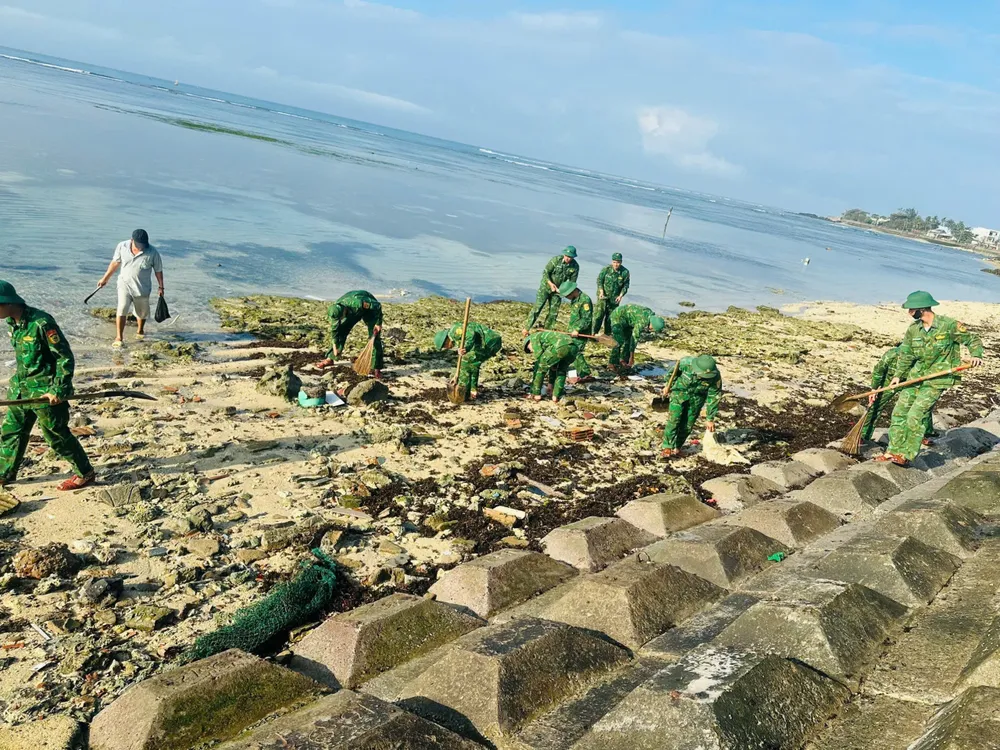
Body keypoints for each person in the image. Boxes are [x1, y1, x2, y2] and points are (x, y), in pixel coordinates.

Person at [0, 281, 95, 490]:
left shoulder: (42, 323)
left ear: (7, 303)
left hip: (46, 391)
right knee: (11, 432)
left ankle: (85, 473)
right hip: (21, 389)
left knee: (57, 436)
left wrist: (59, 389)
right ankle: (5, 473)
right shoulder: (12, 323)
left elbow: (64, 357)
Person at [877, 291, 983, 466]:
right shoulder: (913, 329)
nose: (909, 312)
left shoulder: (948, 326)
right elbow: (906, 355)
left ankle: (905, 455)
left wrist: (976, 355)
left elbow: (973, 340)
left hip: (937, 379)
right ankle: (892, 451)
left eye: (911, 309)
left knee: (915, 416)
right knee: (899, 413)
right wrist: (897, 375)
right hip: (915, 377)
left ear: (922, 309)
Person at [97, 229, 164, 348]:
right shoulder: (122, 246)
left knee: (142, 313)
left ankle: (140, 330)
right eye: (139, 245)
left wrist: (161, 287)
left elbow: (158, 271)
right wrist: (105, 279)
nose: (141, 247)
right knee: (122, 308)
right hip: (124, 284)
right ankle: (119, 337)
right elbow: (115, 263)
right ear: (132, 240)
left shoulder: (153, 252)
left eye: (143, 245)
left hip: (142, 288)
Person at [861, 343, 934, 443]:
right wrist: (874, 389)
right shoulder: (891, 355)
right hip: (889, 381)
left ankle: (923, 434)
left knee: (920, 406)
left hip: (910, 381)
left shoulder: (920, 357)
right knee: (875, 406)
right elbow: (878, 371)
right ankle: (864, 436)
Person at [660, 355, 722, 458]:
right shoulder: (685, 363)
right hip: (679, 394)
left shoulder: (715, 376)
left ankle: (677, 447)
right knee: (674, 420)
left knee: (688, 425)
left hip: (697, 399)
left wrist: (710, 418)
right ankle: (667, 447)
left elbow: (714, 396)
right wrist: (668, 385)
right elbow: (672, 374)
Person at [317, 290, 384, 379]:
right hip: (352, 312)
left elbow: (377, 305)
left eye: (341, 318)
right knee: (341, 331)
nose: (340, 320)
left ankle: (376, 368)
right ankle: (330, 358)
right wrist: (335, 345)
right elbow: (335, 330)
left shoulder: (358, 302)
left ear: (344, 311)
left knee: (374, 337)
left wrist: (378, 323)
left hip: (370, 310)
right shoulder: (335, 311)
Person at [434, 322, 503, 399]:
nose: (446, 348)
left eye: (445, 346)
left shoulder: (455, 331)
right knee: (469, 362)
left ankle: (464, 392)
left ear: (446, 340)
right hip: (488, 343)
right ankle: (467, 391)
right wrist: (456, 375)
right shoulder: (456, 340)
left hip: (490, 341)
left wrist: (466, 348)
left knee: (468, 362)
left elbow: (471, 334)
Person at [522, 246, 580, 333]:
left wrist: (563, 291)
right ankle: (526, 328)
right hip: (546, 287)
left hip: (557, 292)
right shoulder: (555, 260)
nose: (568, 258)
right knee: (538, 308)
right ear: (564, 254)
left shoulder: (575, 266)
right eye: (567, 256)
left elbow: (571, 283)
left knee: (553, 313)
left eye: (570, 257)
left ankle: (546, 331)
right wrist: (551, 284)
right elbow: (545, 273)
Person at [524, 331, 580, 403]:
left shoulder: (533, 338)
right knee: (561, 371)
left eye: (529, 349)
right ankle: (555, 396)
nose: (531, 351)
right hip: (573, 348)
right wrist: (550, 384)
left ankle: (536, 394)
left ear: (528, 343)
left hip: (559, 346)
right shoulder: (544, 337)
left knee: (540, 368)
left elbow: (539, 356)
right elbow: (552, 363)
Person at [608, 304, 666, 374]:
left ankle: (623, 360)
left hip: (628, 321)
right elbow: (634, 338)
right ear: (652, 325)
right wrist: (632, 357)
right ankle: (612, 364)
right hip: (618, 317)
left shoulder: (650, 316)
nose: (651, 330)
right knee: (618, 341)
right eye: (653, 328)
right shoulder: (643, 321)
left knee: (628, 340)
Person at [560, 280, 594, 383]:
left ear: (573, 291)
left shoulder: (585, 300)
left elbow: (587, 319)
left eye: (567, 295)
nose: (566, 297)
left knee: (575, 352)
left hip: (581, 333)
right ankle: (574, 374)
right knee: (570, 352)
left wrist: (577, 329)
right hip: (572, 332)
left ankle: (586, 374)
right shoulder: (574, 300)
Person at [593, 253, 630, 335]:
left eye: (618, 262)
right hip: (603, 296)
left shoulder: (625, 272)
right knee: (598, 315)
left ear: (621, 262)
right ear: (612, 261)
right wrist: (601, 291)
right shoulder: (606, 269)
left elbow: (626, 286)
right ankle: (593, 333)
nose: (616, 264)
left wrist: (621, 296)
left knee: (610, 317)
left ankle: (607, 334)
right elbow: (599, 280)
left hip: (614, 299)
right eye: (614, 262)